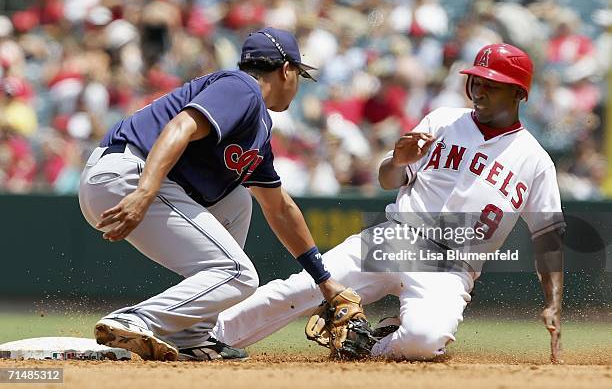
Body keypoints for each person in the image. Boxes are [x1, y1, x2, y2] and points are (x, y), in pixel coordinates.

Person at [213, 44, 566, 363]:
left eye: (492, 83)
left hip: (452, 267)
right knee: (299, 288)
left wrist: (552, 302)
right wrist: (397, 161)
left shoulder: (534, 160)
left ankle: (370, 344)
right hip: (396, 237)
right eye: (476, 80)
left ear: (519, 92)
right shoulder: (443, 121)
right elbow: (387, 179)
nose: (480, 89)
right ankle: (208, 336)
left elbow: (547, 236)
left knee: (424, 341)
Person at [78, 27, 354, 361]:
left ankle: (191, 335)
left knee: (238, 200)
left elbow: (279, 207)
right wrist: (144, 192)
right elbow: (179, 126)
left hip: (133, 178)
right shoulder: (242, 88)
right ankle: (135, 319)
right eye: (299, 74)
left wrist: (324, 282)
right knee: (239, 275)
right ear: (286, 70)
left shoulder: (256, 126)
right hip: (129, 174)